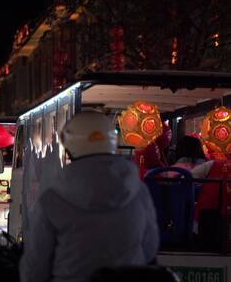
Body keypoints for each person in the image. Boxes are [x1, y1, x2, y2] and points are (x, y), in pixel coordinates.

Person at [20, 112, 159, 282]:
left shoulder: (52, 198)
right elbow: (150, 247)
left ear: (70, 145)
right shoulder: (139, 191)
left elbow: (36, 263)